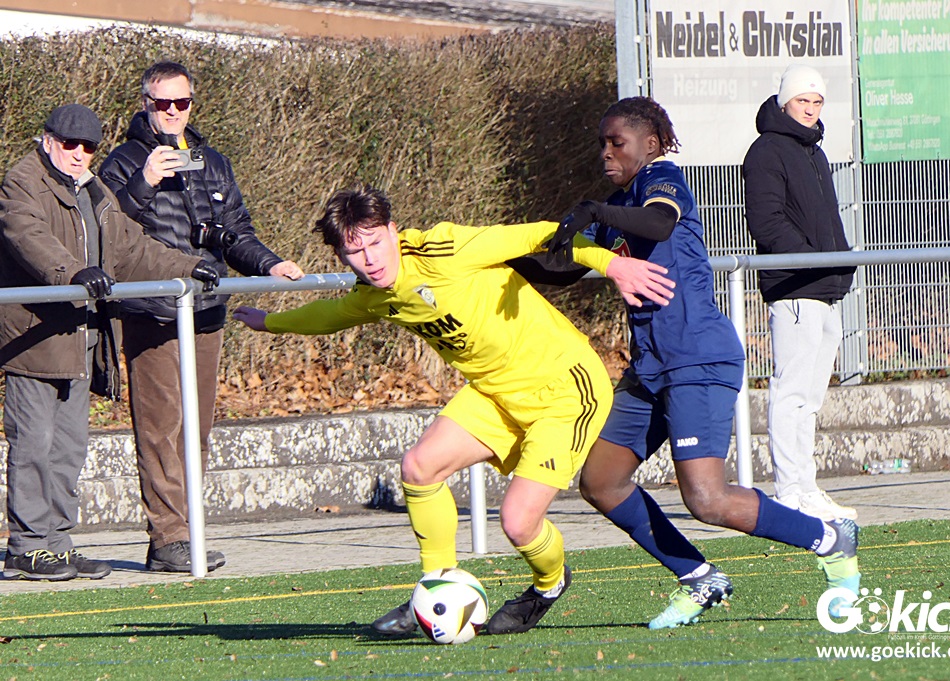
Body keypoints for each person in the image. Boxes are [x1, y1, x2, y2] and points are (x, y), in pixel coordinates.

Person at [233, 185, 675, 635]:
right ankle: (434, 588)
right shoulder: (375, 295)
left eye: (376, 242)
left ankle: (549, 583)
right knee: (419, 467)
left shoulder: (443, 249)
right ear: (341, 256)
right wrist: (270, 323)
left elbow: (542, 234)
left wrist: (612, 264)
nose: (370, 259)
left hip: (564, 387)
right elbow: (333, 315)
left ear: (393, 230)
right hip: (495, 393)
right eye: (355, 252)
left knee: (518, 523)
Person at [547, 96, 861, 629]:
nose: (605, 152)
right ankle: (698, 576)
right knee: (601, 482)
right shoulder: (617, 206)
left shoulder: (663, 180)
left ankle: (829, 539)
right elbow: (559, 269)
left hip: (698, 359)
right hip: (650, 368)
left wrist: (596, 211)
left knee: (707, 499)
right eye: (601, 143)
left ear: (650, 144)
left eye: (616, 142)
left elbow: (658, 224)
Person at [98, 62, 304, 573]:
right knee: (160, 429)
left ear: (192, 103)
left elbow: (235, 232)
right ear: (145, 103)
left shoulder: (212, 162)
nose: (172, 112)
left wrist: (270, 264)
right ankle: (168, 538)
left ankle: (187, 532)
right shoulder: (123, 161)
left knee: (198, 429)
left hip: (207, 311)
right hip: (152, 313)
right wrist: (145, 182)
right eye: (162, 103)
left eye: (182, 102)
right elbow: (106, 233)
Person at [0, 104, 220, 581]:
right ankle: (27, 547)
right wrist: (74, 273)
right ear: (47, 140)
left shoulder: (94, 189)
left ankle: (57, 544)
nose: (79, 154)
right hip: (34, 342)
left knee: (68, 450)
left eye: (89, 147)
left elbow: (132, 248)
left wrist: (188, 266)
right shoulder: (21, 182)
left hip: (81, 340)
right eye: (70, 144)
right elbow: (29, 237)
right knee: (33, 446)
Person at [742, 65, 857, 521]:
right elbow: (766, 222)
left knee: (810, 397)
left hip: (825, 287)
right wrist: (813, 259)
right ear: (784, 101)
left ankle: (805, 487)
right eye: (802, 100)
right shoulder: (767, 151)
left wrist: (840, 263)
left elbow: (827, 219)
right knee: (791, 392)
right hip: (794, 288)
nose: (810, 109)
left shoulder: (816, 152)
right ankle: (789, 491)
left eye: (817, 101)